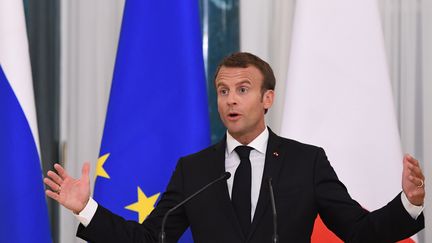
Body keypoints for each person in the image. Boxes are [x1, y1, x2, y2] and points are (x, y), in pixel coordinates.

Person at [44, 52, 425, 242]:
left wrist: (408, 202)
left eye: (243, 90)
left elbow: (359, 231)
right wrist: (87, 209)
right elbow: (150, 240)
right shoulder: (194, 170)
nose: (230, 101)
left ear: (267, 98)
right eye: (223, 91)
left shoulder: (306, 162)